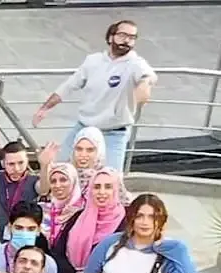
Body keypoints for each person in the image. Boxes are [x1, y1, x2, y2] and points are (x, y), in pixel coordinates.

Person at [31, 19, 157, 170]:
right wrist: (45, 108)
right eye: (123, 35)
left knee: (112, 176)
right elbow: (69, 85)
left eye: (132, 37)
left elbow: (148, 77)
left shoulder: (135, 63)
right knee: (59, 168)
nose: (127, 40)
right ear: (111, 37)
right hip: (84, 126)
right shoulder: (93, 61)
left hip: (114, 133)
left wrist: (144, 87)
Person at [81, 194, 197, 273]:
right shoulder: (111, 242)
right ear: (132, 218)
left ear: (161, 220)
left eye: (152, 217)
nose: (145, 222)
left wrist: (178, 249)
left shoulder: (164, 254)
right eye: (140, 216)